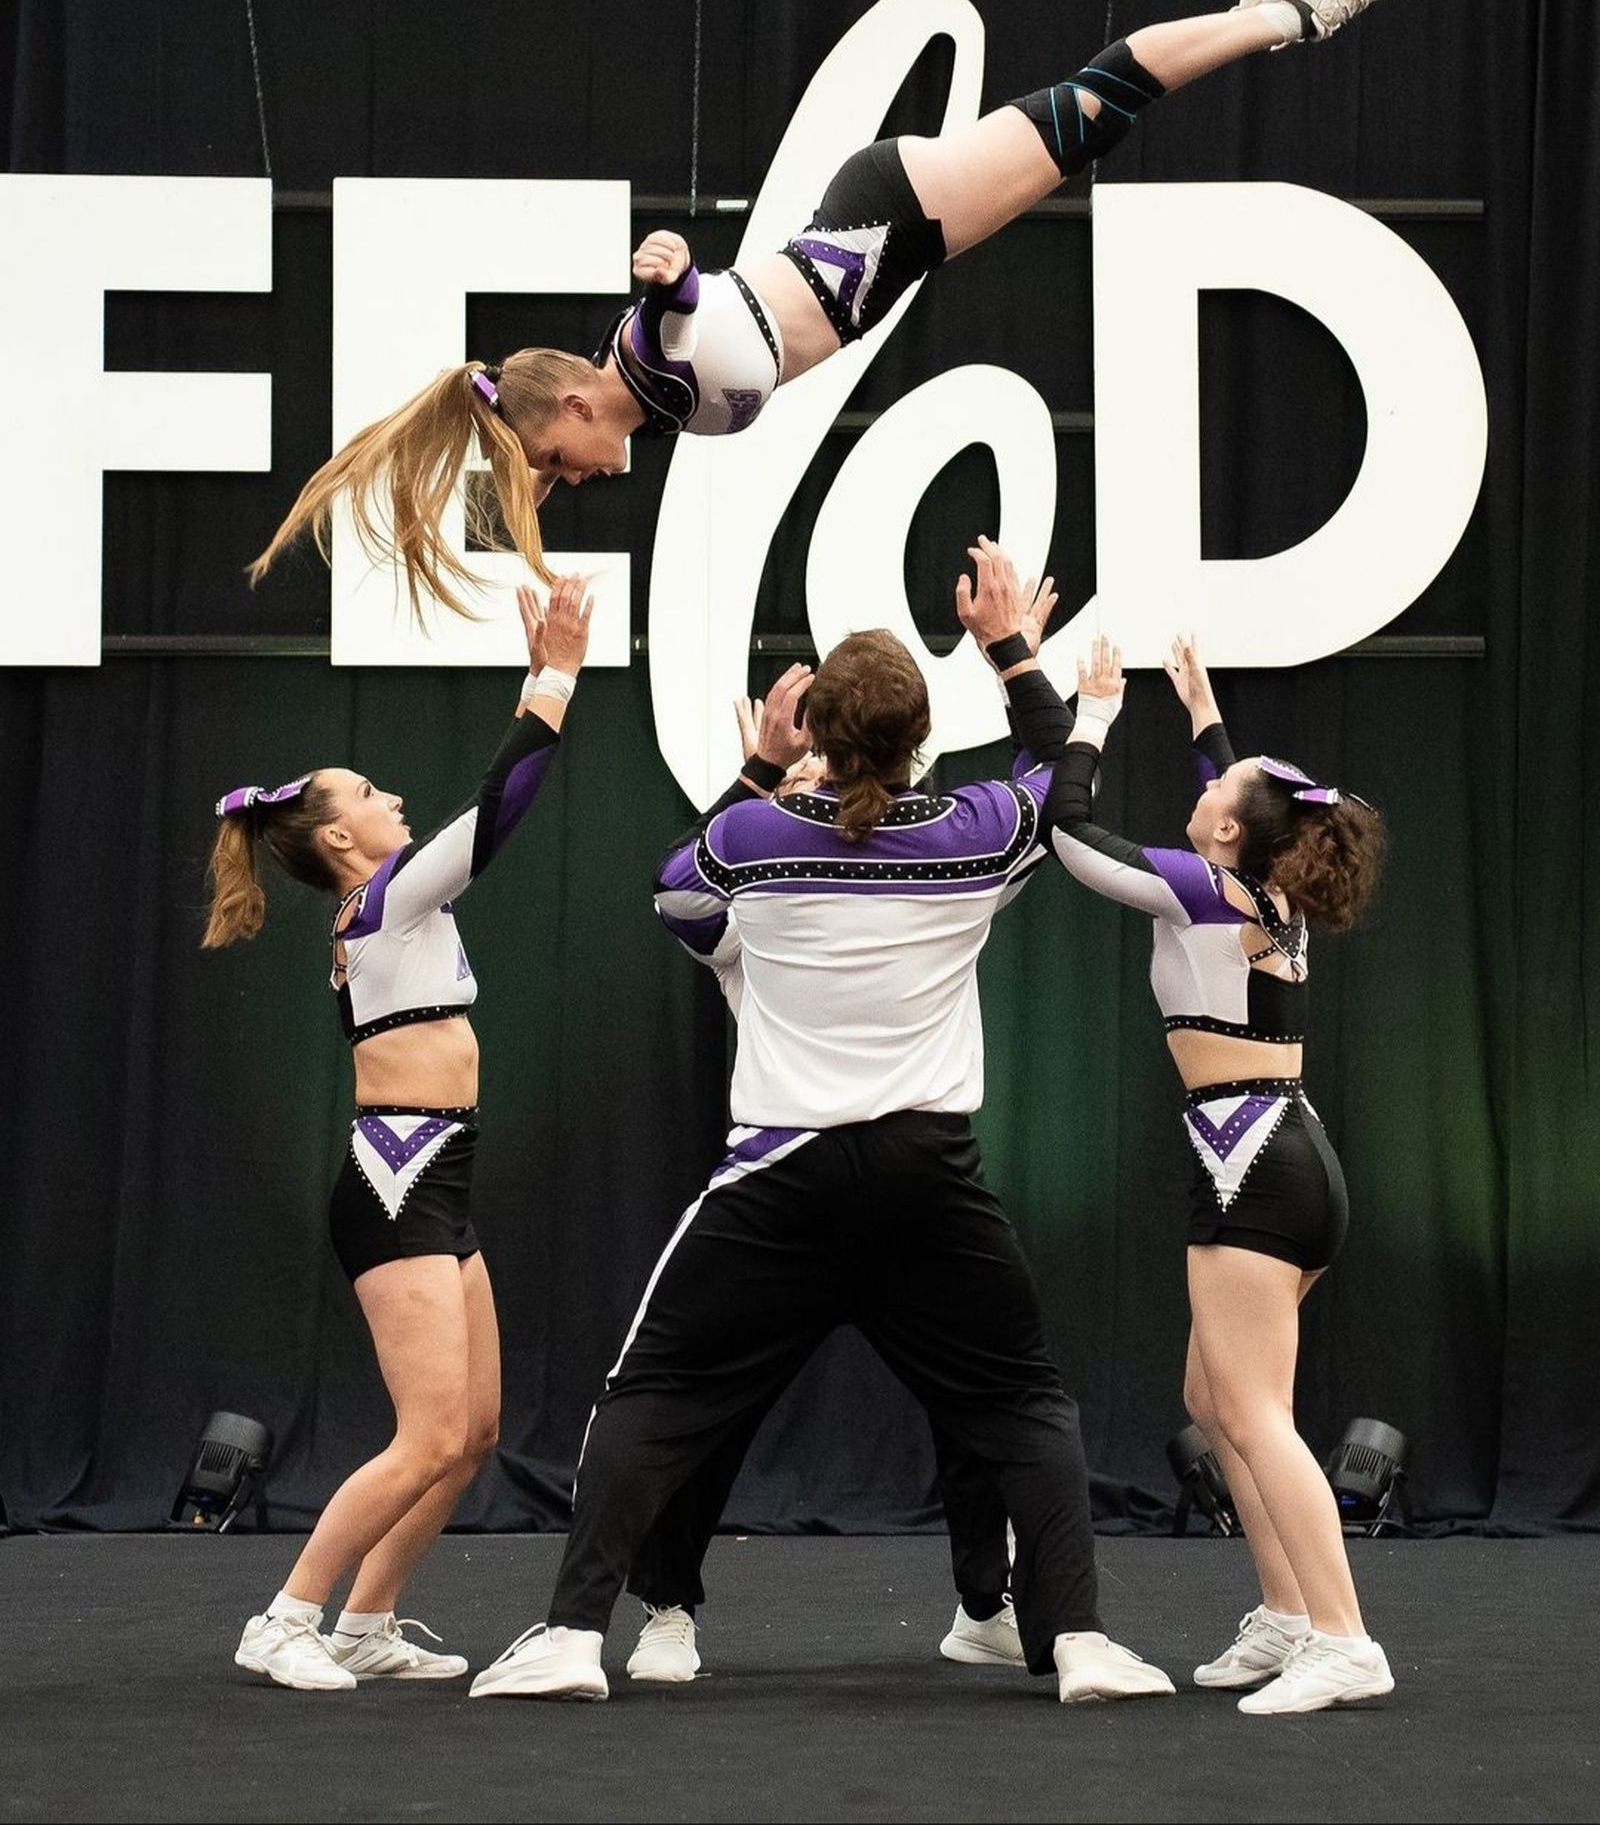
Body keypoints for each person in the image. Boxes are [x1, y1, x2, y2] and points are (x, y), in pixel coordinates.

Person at [469, 607, 1173, 1706]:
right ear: (919, 735)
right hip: (925, 1176)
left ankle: (569, 1635)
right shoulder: (979, 832)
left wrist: (760, 763)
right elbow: (1052, 777)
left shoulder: (755, 840)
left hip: (780, 1178)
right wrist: (1007, 645)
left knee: (650, 1395)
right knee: (1025, 1403)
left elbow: (675, 895)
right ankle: (1076, 1639)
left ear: (818, 734)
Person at [247, 0, 1404, 617]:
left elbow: (677, 296)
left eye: (557, 463)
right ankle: (1263, 6)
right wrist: (499, 470)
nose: (573, 486)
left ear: (574, 406)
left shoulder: (646, 353)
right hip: (889, 246)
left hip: (881, 213)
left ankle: (1282, 10)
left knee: (1093, 109)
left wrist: (666, 266)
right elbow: (538, 427)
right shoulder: (631, 401)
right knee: (1089, 120)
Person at [965, 556, 1389, 1716]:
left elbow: (1070, 830)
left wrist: (1075, 702)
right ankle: (1288, 1614)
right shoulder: (1269, 885)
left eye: (1219, 783)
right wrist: (1208, 722)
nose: (1208, 784)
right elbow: (1250, 804)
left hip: (1256, 1164)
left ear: (1221, 832)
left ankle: (1346, 1637)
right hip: (1277, 1155)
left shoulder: (1204, 891)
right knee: (1217, 1403)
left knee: (1254, 1413)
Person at [203, 576, 593, 1689]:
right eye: (371, 791)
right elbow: (501, 807)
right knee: (425, 1435)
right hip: (396, 1178)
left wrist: (542, 681)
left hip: (438, 1176)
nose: (392, 797)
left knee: (472, 1435)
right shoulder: (381, 904)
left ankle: (365, 1623)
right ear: (339, 834)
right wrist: (552, 678)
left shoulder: (399, 908)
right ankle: (281, 1620)